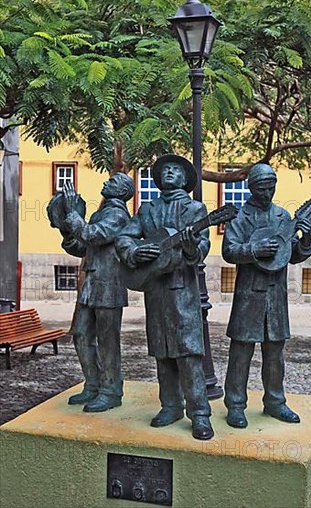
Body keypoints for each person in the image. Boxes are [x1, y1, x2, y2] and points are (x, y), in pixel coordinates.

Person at [116, 154, 214, 440]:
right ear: (159, 179)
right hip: (155, 290)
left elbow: (203, 246)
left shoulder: (196, 209)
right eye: (165, 170)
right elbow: (125, 237)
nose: (170, 173)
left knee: (188, 354)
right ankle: (170, 406)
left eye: (176, 170)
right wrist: (133, 252)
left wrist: (192, 249)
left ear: (185, 179)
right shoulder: (147, 210)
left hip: (183, 290)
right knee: (162, 352)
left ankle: (200, 414)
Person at [222, 163, 311, 428]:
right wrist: (253, 249)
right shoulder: (239, 218)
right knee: (240, 353)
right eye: (262, 187)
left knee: (275, 353)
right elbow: (229, 251)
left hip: (275, 297)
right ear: (251, 188)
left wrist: (306, 240)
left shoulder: (283, 217)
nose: (268, 191)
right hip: (249, 295)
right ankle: (236, 404)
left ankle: (275, 401)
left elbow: (293, 254)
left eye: (271, 186)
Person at [60, 173, 135, 412]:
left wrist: (74, 215)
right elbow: (84, 246)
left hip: (109, 285)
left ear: (123, 191)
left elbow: (94, 234)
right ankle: (92, 384)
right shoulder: (101, 214)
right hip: (92, 283)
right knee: (81, 334)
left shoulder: (118, 215)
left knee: (107, 341)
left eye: (112, 182)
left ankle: (111, 390)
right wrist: (66, 229)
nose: (105, 183)